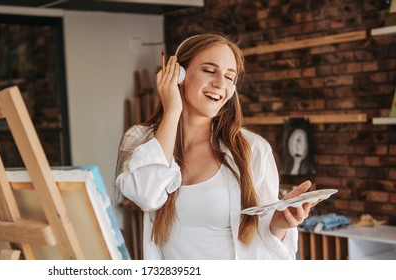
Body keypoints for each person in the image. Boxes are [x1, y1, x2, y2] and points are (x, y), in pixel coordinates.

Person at [114, 32, 316, 260]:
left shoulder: (253, 149)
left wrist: (279, 224)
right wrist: (172, 111)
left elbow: (268, 241)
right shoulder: (139, 139)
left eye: (230, 77)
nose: (220, 84)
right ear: (178, 75)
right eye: (209, 71)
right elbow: (146, 194)